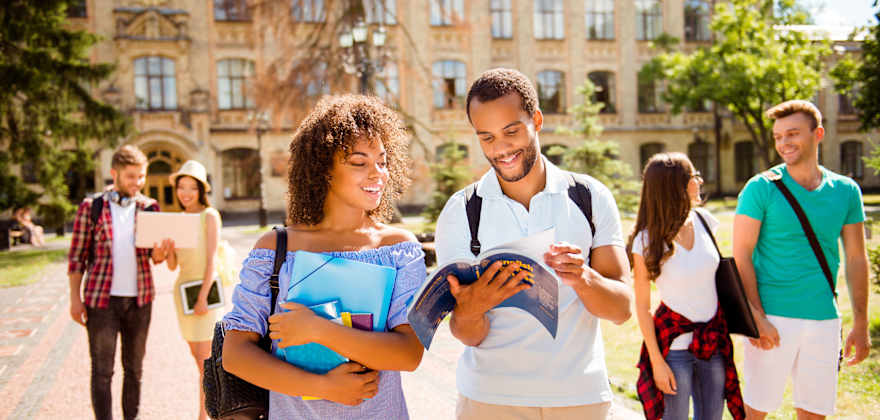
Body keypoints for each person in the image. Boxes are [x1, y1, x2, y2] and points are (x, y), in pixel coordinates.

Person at [434, 68, 632, 419]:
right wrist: (474, 304)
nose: (501, 149)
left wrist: (583, 277)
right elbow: (465, 334)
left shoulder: (589, 196)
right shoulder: (462, 212)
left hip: (580, 398)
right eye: (487, 138)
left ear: (536, 120)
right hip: (490, 400)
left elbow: (621, 309)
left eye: (511, 131)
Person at [221, 94, 426, 419]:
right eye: (359, 162)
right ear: (324, 171)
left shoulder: (399, 249)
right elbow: (234, 354)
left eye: (382, 161)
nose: (378, 174)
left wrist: (319, 329)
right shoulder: (274, 250)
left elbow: (409, 354)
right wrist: (323, 386)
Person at [733, 100, 871, 419]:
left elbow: (856, 259)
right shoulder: (761, 188)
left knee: (814, 413)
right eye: (778, 137)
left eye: (792, 134)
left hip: (824, 319)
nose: (784, 143)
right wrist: (755, 317)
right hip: (772, 319)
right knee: (754, 412)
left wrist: (860, 322)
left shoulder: (846, 191)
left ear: (818, 134)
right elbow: (741, 256)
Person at [629, 152, 744, 420]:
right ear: (676, 185)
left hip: (712, 343)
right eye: (694, 176)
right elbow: (642, 307)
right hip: (674, 350)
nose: (700, 181)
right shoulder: (646, 241)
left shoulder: (705, 222)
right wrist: (657, 362)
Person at [67, 144, 171, 420]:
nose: (137, 183)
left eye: (141, 176)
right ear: (114, 173)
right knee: (102, 371)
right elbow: (77, 257)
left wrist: (161, 251)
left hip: (140, 300)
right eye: (130, 176)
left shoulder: (150, 207)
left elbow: (155, 257)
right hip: (101, 302)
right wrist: (75, 298)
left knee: (134, 369)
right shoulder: (92, 207)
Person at [161, 159, 223, 420]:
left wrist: (202, 298)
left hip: (205, 293)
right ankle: (209, 410)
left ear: (201, 190)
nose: (185, 193)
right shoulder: (177, 220)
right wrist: (165, 250)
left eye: (191, 188)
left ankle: (204, 414)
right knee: (196, 357)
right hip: (182, 293)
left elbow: (211, 260)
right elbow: (174, 265)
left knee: (205, 360)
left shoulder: (209, 216)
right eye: (181, 187)